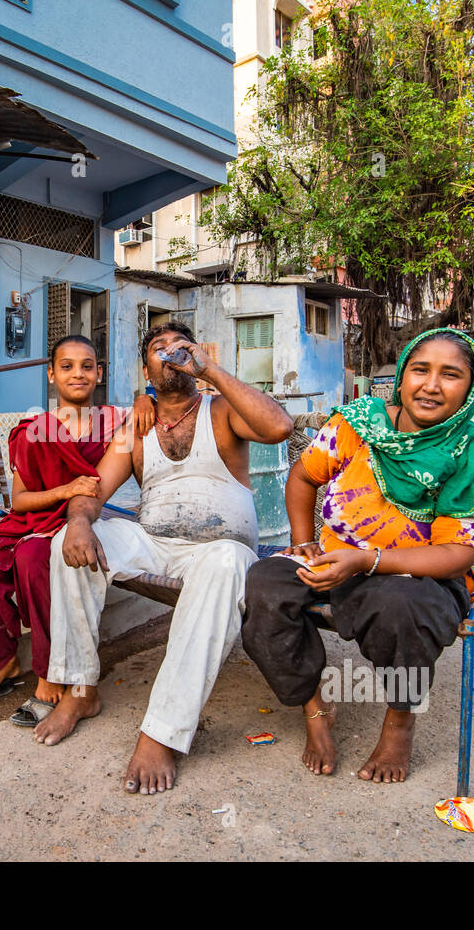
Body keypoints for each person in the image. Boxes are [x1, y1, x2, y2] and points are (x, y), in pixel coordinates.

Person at [240, 328, 474, 783]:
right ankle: (314, 706)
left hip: (417, 574)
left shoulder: (472, 458)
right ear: (402, 377)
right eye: (421, 370)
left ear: (470, 387)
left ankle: (400, 720)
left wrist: (367, 561)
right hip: (336, 555)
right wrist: (306, 542)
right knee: (265, 585)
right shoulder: (358, 424)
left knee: (403, 608)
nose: (431, 385)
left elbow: (459, 553)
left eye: (451, 375)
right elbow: (304, 477)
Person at [38, 323, 294, 795]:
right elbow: (92, 492)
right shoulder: (135, 426)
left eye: (182, 347)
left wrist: (211, 369)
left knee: (224, 564)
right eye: (160, 349)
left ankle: (162, 733)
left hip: (219, 550)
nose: (171, 354)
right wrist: (78, 522)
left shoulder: (222, 411)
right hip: (154, 542)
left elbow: (280, 427)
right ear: (146, 369)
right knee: (66, 544)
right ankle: (78, 689)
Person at [0, 337, 155, 725]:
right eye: (66, 366)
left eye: (87, 365)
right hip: (33, 519)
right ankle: (2, 664)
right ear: (51, 375)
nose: (77, 373)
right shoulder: (35, 429)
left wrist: (145, 397)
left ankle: (52, 676)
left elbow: (158, 408)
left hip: (76, 524)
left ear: (99, 374)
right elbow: (20, 502)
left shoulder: (117, 421)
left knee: (33, 561)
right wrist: (67, 489)